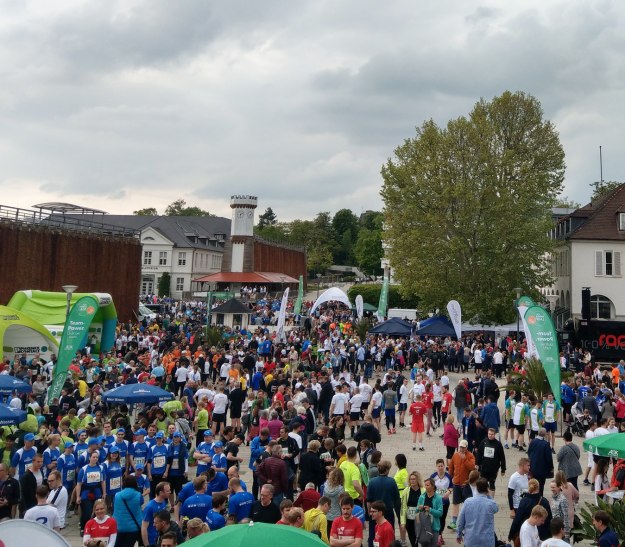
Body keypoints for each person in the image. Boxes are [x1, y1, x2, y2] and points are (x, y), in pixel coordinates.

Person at [455, 477, 499, 547]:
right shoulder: (491, 504)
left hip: (470, 540)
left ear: (476, 488)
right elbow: (496, 509)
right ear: (487, 489)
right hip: (487, 542)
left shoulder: (467, 502)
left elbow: (461, 521)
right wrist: (489, 496)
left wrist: (459, 534)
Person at [509, 479, 552, 544]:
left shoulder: (524, 501)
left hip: (529, 533)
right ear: (538, 487)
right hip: (543, 534)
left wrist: (511, 534)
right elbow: (549, 519)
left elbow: (518, 518)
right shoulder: (545, 501)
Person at [447, 439, 475, 530]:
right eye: (460, 447)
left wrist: (465, 459)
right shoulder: (455, 455)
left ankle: (467, 522)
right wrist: (451, 479)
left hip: (466, 484)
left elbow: (472, 467)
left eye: (463, 447)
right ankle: (453, 522)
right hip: (456, 483)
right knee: (455, 503)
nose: (461, 449)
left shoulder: (470, 456)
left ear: (467, 447)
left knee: (467, 504)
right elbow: (451, 468)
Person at [113, 476, 144, 547]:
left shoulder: (117, 495)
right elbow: (141, 503)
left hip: (118, 527)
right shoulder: (138, 495)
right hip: (133, 528)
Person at [476, 427, 506, 491]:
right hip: (484, 468)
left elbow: (502, 457)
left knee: (492, 484)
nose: (490, 435)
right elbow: (479, 453)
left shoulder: (498, 444)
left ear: (494, 434)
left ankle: (491, 500)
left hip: (493, 469)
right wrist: (477, 463)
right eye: (489, 434)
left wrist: (503, 469)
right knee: (483, 484)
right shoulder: (484, 442)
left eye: (492, 434)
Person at [141, 481, 171, 547]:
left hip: (160, 538)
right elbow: (144, 527)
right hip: (152, 540)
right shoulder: (150, 507)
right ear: (161, 493)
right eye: (167, 491)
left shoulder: (163, 502)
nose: (170, 492)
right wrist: (147, 545)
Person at [416, 478, 443, 547]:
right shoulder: (422, 497)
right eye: (425, 485)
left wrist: (430, 510)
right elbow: (416, 511)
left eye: (427, 485)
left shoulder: (438, 498)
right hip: (424, 527)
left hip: (434, 528)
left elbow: (440, 513)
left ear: (433, 486)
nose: (426, 487)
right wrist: (419, 508)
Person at [527, 428, 554, 495]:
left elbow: (529, 453)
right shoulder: (546, 444)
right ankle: (539, 499)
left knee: (533, 485)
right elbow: (549, 458)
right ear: (545, 434)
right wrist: (551, 467)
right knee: (541, 486)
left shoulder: (532, 442)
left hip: (533, 468)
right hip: (542, 469)